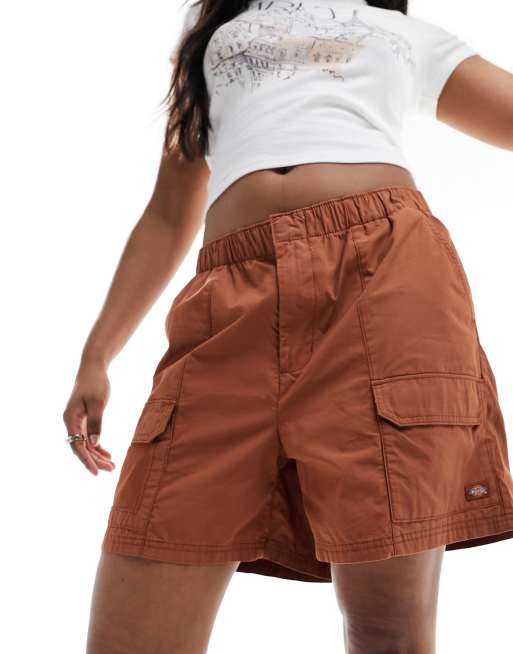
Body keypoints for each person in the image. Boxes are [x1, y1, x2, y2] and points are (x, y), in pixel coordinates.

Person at [62, 0, 513, 652]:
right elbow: (168, 211)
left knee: (386, 626)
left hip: (383, 279)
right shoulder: (209, 42)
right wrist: (97, 354)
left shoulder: (405, 34)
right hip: (228, 302)